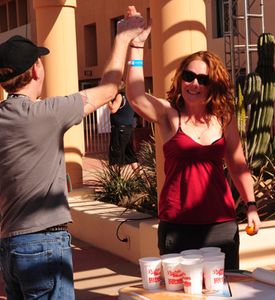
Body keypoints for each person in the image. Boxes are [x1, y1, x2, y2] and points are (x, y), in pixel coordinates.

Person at [0, 6, 145, 299]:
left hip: (9, 247)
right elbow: (107, 90)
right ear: (36, 70)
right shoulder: (45, 114)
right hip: (43, 245)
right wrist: (123, 39)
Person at [125, 21, 261, 270]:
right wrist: (136, 45)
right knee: (178, 293)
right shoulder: (169, 115)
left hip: (221, 224)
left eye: (202, 79)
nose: (194, 84)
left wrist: (250, 205)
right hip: (177, 225)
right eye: (188, 76)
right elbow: (135, 96)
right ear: (181, 79)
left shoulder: (224, 118)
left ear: (213, 84)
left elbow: (238, 164)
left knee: (222, 290)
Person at [108, 82, 138, 170]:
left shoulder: (120, 96)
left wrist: (108, 101)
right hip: (128, 129)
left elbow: (113, 109)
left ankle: (117, 180)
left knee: (116, 156)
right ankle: (139, 178)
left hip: (119, 130)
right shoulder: (130, 97)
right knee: (130, 155)